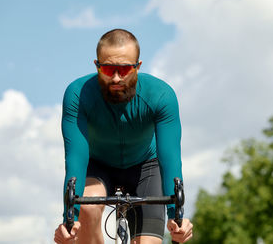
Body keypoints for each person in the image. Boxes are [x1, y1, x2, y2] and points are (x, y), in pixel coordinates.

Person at [54, 29, 193, 244]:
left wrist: (177, 217)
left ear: (138, 66)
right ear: (96, 65)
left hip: (146, 166)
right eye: (108, 69)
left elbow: (171, 160)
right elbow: (75, 160)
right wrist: (69, 221)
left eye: (125, 69)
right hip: (98, 165)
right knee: (88, 206)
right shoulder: (78, 94)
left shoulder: (162, 95)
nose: (116, 78)